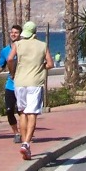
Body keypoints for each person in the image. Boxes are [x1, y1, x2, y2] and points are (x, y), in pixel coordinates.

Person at [8, 20, 53, 161]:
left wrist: (13, 72)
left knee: (22, 112)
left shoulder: (18, 44)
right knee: (32, 113)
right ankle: (26, 144)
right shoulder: (42, 45)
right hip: (34, 83)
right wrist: (41, 67)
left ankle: (23, 142)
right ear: (35, 33)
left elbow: (10, 59)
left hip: (20, 82)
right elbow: (50, 64)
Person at [0, 24, 23, 143]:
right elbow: (1, 66)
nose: (13, 34)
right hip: (10, 85)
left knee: (22, 111)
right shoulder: (5, 51)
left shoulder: (24, 49)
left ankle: (25, 131)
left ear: (20, 35)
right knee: (9, 110)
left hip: (23, 84)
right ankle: (16, 133)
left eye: (16, 32)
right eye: (12, 32)